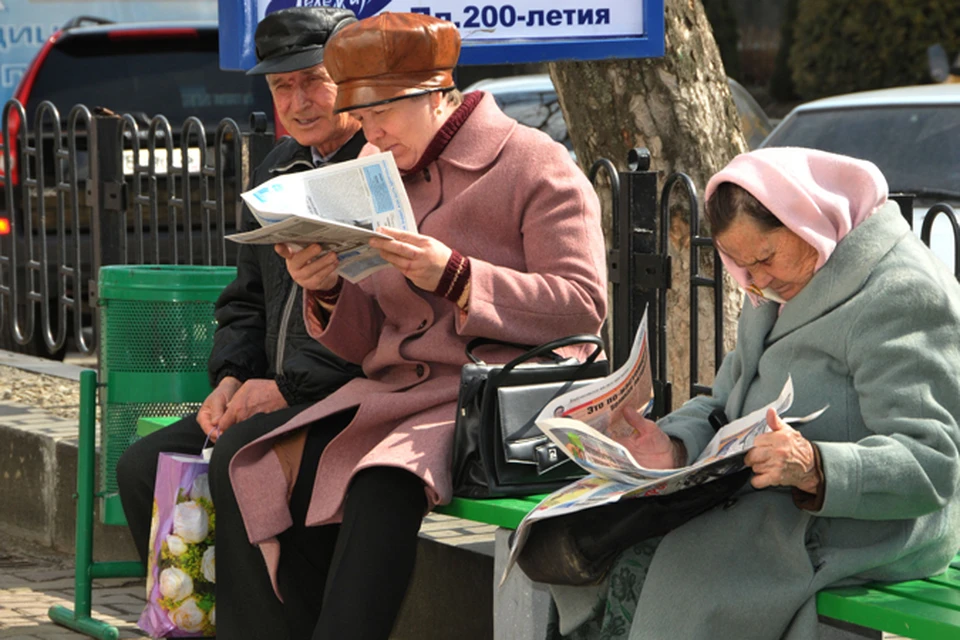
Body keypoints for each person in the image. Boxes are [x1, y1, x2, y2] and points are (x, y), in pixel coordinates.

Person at [223, 11, 607, 640]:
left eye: (381, 114)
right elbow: (368, 335)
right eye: (362, 116)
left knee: (380, 483)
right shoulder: (378, 170)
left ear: (434, 95)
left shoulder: (536, 163)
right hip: (399, 394)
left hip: (491, 396)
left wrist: (455, 275)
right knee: (250, 460)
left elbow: (582, 304)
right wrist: (324, 291)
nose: (369, 133)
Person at [549, 147, 960, 640]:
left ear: (807, 220)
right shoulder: (779, 285)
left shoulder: (899, 294)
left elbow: (931, 464)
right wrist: (674, 445)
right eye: (741, 265)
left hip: (865, 521)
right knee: (597, 552)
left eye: (765, 257)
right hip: (765, 502)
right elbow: (726, 403)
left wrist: (816, 466)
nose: (757, 281)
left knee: (675, 576)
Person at [115, 5, 366, 635]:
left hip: (345, 395)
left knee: (237, 457)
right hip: (269, 393)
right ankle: (196, 623)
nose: (299, 101)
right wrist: (229, 378)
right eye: (283, 86)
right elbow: (246, 302)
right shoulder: (277, 167)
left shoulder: (377, 168)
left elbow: (384, 315)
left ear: (349, 82)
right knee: (143, 465)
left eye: (314, 81)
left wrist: (282, 388)